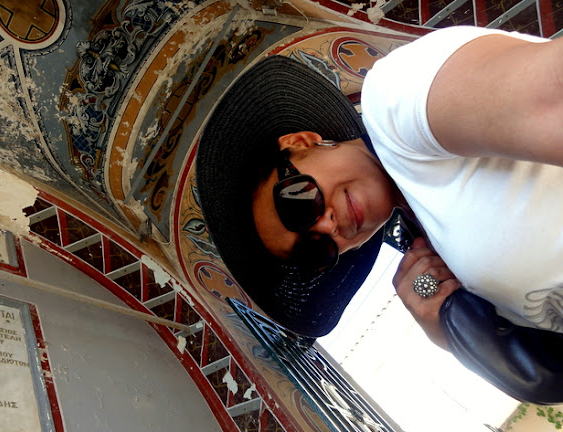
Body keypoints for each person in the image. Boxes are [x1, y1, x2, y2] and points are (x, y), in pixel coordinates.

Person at [196, 26, 563, 402]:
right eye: (315, 249)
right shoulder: (442, 256)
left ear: (300, 143)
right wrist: (453, 326)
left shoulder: (394, 101)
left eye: (298, 203)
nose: (327, 225)